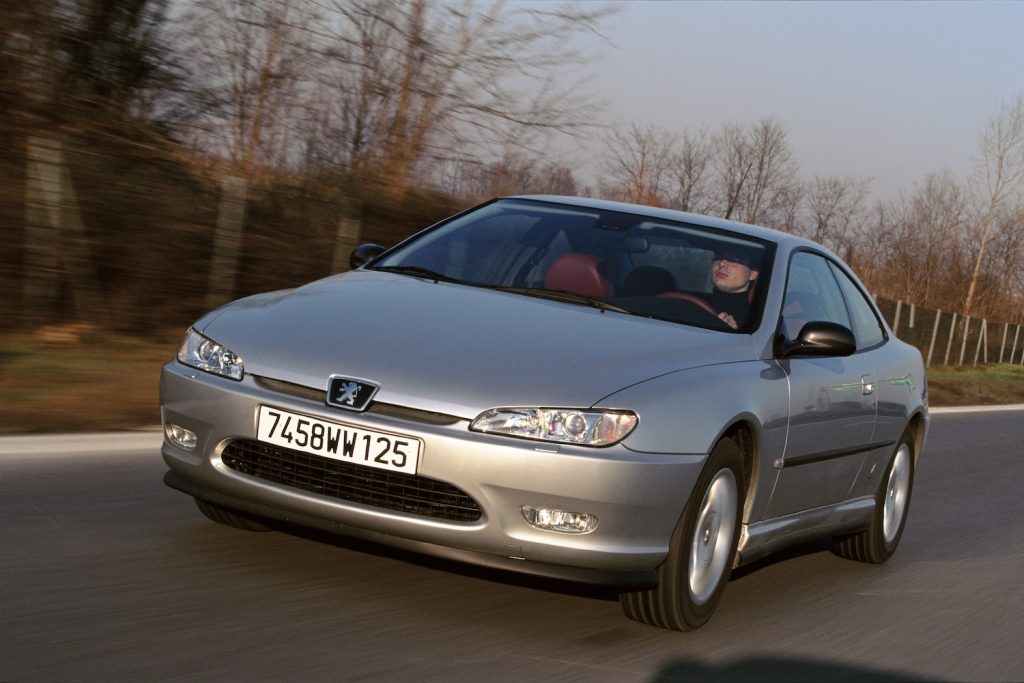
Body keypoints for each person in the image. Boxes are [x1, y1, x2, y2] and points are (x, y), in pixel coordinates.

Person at [707, 247, 759, 330]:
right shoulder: (691, 302)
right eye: (718, 257)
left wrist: (733, 331)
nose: (722, 264)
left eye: (734, 259)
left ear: (753, 274)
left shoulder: (755, 321)